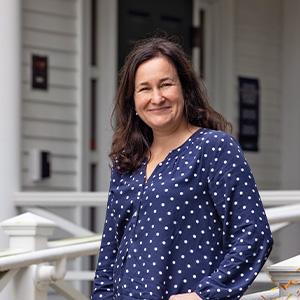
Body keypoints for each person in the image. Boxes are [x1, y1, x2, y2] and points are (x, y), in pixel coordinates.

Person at [91, 37, 273, 300]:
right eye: (145, 88)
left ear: (184, 89)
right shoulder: (127, 162)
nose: (157, 97)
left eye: (166, 84)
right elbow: (109, 253)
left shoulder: (214, 148)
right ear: (133, 101)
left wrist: (206, 294)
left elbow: (253, 233)